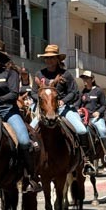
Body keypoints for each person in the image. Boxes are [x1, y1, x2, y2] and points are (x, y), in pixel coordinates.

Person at [0, 37, 41, 193]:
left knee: (24, 140)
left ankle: (30, 177)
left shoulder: (11, 72)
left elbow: (13, 94)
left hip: (8, 112)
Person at [31, 44, 95, 174]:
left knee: (82, 130)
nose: (49, 60)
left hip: (64, 108)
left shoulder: (66, 74)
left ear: (57, 59)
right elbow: (33, 92)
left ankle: (86, 160)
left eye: (52, 58)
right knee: (30, 132)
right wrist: (43, 101)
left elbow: (73, 92)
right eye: (47, 58)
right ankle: (30, 164)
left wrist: (63, 101)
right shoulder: (39, 74)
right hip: (45, 110)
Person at [75, 70, 106, 158]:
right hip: (84, 118)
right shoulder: (83, 92)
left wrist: (98, 112)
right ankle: (84, 155)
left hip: (96, 118)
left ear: (92, 79)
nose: (85, 80)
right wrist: (77, 110)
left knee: (102, 130)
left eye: (87, 78)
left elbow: (104, 105)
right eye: (83, 78)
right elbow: (77, 104)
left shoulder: (99, 91)